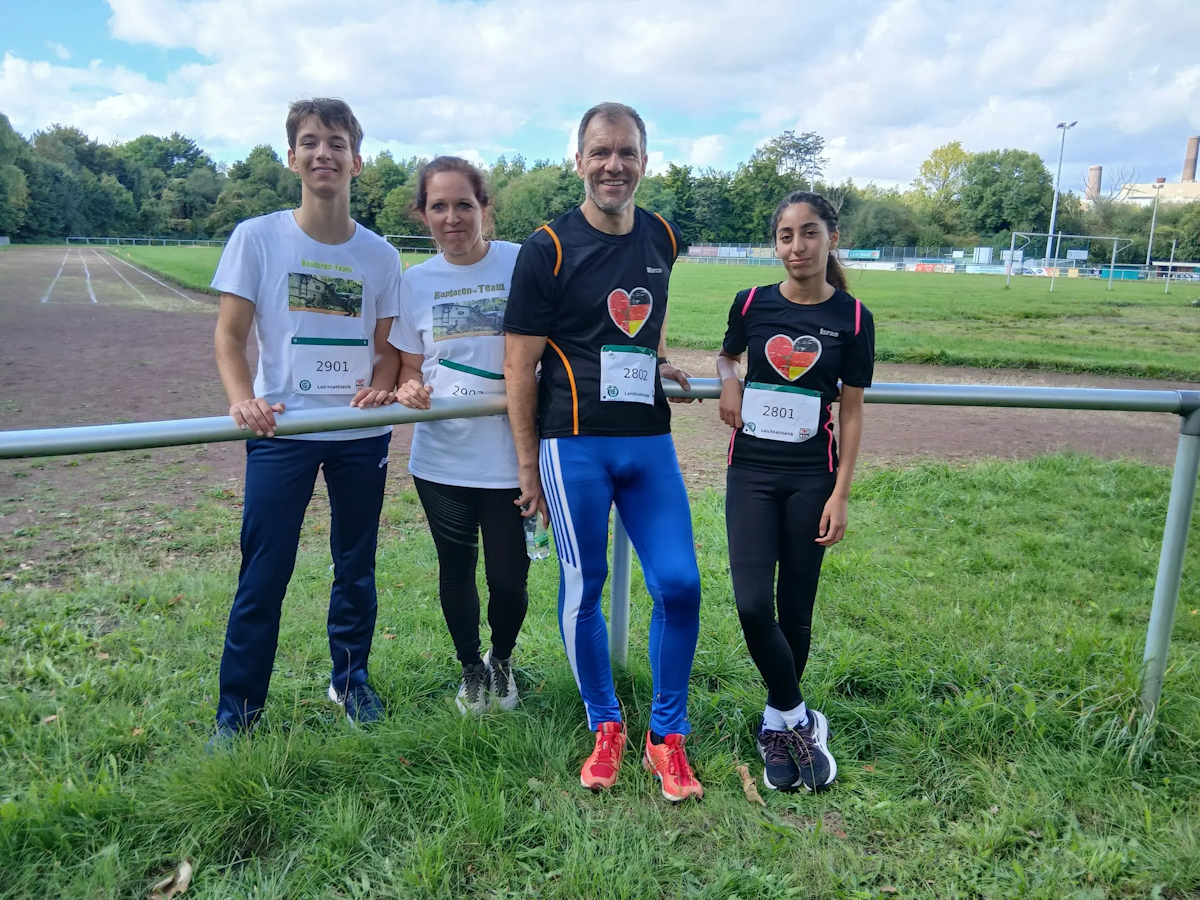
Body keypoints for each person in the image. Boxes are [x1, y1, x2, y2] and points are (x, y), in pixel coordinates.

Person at [503, 102, 704, 802]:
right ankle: (606, 724)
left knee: (679, 584)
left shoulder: (663, 235)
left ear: (644, 161)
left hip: (648, 439)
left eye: (626, 152)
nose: (613, 165)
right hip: (573, 444)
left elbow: (645, 312)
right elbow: (518, 365)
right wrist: (529, 466)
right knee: (583, 587)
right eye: (600, 152)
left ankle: (666, 736)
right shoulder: (547, 247)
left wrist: (658, 355)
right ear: (579, 159)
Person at [210, 98, 402, 745]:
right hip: (280, 434)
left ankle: (351, 682)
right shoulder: (257, 238)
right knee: (263, 573)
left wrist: (380, 390)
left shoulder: (381, 256)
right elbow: (229, 337)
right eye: (311, 142)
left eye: (338, 142)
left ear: (357, 159)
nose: (325, 153)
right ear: (291, 156)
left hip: (360, 437)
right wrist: (243, 398)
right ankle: (237, 714)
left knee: (356, 567)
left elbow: (389, 353)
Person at [716, 191, 875, 792]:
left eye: (809, 233)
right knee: (754, 604)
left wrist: (841, 494)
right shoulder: (751, 303)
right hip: (750, 472)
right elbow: (727, 357)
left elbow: (854, 414)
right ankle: (799, 717)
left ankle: (777, 723)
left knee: (795, 609)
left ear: (832, 238)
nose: (797, 247)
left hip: (814, 477)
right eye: (785, 236)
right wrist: (728, 381)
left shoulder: (853, 318)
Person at [389, 156, 529, 716]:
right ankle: (471, 667)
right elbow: (407, 366)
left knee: (509, 577)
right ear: (423, 214)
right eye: (439, 206)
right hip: (441, 460)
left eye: (463, 204)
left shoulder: (522, 262)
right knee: (457, 569)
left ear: (484, 208)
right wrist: (407, 387)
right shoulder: (414, 282)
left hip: (511, 456)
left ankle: (502, 658)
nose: (452, 217)